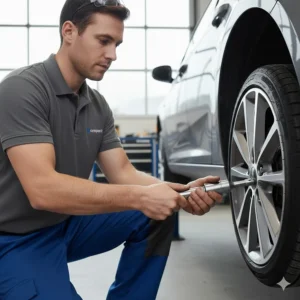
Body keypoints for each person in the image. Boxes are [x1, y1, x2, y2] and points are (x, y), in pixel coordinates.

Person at [0, 0, 223, 299]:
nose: (113, 55)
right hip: (14, 239)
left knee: (158, 212)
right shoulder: (23, 90)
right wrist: (144, 196)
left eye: (117, 44)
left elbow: (122, 173)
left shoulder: (97, 105)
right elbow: (43, 191)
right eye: (103, 41)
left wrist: (180, 192)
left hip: (65, 224)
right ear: (69, 32)